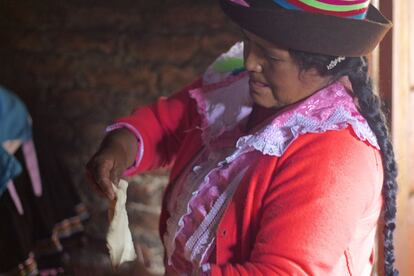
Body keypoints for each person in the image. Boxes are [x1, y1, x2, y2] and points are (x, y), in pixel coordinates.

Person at [86, 0, 397, 275]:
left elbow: (281, 271)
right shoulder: (237, 78)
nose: (249, 62)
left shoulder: (337, 153)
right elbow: (172, 121)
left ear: (320, 67)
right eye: (249, 42)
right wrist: (120, 147)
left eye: (271, 57)